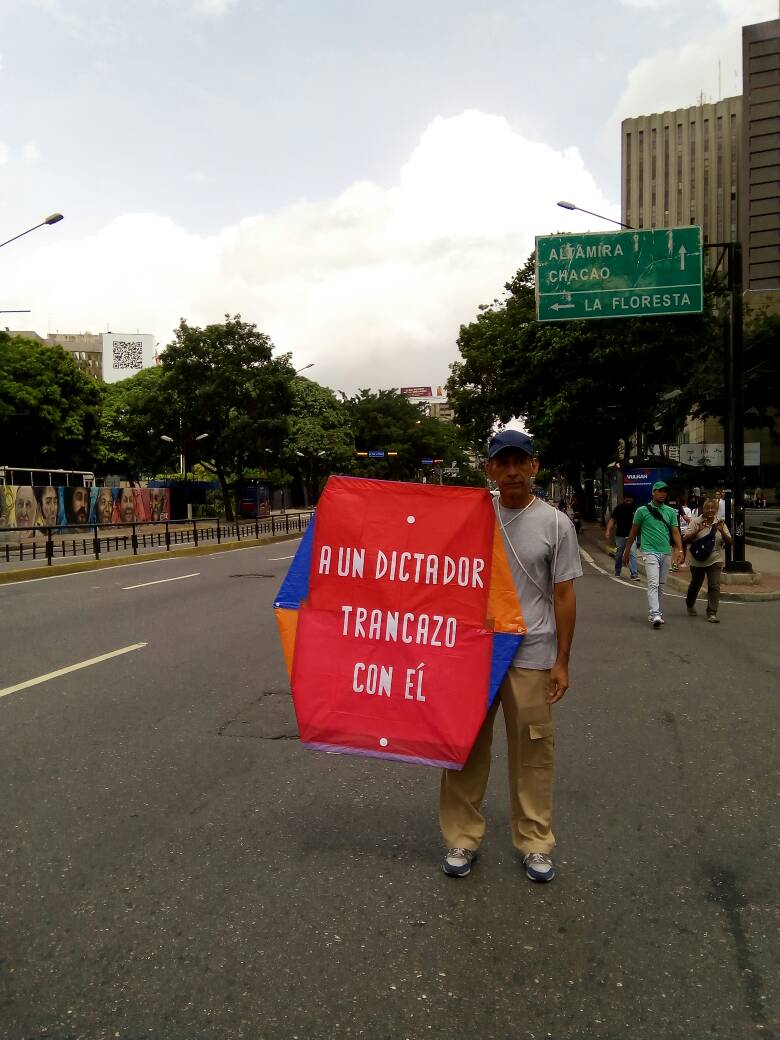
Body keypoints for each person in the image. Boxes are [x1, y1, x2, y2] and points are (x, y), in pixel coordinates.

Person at [440, 429, 581, 883]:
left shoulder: (557, 525)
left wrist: (562, 660)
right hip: (475, 655)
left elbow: (563, 595)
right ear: (490, 470)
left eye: (521, 461)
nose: (513, 471)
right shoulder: (471, 516)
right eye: (503, 463)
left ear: (535, 466)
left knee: (533, 753)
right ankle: (461, 837)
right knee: (463, 749)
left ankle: (536, 841)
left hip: (531, 654)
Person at [622, 481, 683, 629]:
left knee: (661, 585)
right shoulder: (642, 511)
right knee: (653, 583)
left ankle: (656, 612)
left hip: (665, 551)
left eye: (665, 491)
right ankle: (655, 612)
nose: (663, 494)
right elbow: (633, 531)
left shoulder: (670, 511)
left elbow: (675, 532)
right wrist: (627, 550)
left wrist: (679, 550)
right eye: (659, 491)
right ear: (653, 492)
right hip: (649, 551)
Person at [684, 499, 732, 623]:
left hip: (715, 559)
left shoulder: (720, 523)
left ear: (716, 509)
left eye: (713, 508)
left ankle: (712, 612)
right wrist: (698, 530)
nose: (710, 510)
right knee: (696, 584)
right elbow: (685, 539)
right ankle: (690, 603)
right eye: (707, 508)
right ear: (703, 509)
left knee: (714, 585)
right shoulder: (695, 521)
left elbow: (730, 542)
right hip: (697, 559)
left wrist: (721, 531)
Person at [605, 491, 640, 580]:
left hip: (632, 536)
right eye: (627, 500)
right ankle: (617, 570)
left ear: (632, 500)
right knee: (619, 554)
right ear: (624, 499)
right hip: (620, 535)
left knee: (632, 553)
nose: (628, 501)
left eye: (630, 500)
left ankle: (634, 574)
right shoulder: (619, 508)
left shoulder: (636, 509)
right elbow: (612, 520)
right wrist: (608, 530)